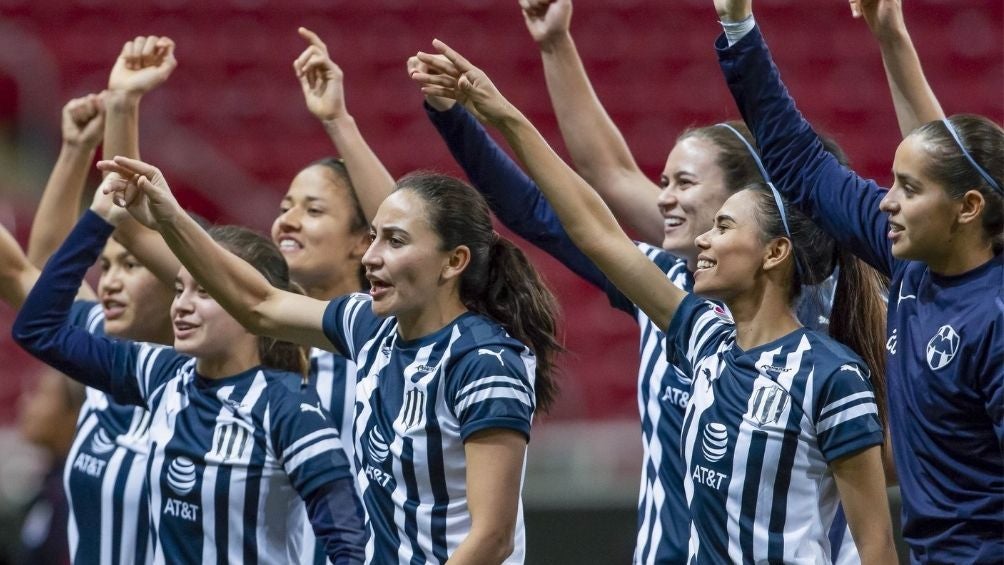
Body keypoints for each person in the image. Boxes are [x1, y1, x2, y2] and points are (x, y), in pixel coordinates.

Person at [410, 6, 886, 560]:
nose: (663, 200)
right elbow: (581, 220)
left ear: (767, 231)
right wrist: (485, 111)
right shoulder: (695, 322)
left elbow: (879, 526)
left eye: (685, 183)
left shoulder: (827, 346)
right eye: (662, 181)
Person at [97, 155, 562, 565]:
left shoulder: (484, 361)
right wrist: (170, 218)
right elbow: (258, 303)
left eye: (396, 242)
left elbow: (492, 538)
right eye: (375, 237)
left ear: (454, 261)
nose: (373, 257)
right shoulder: (373, 327)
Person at [711, 0, 1003, 561]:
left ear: (967, 208)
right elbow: (799, 161)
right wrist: (739, 25)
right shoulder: (913, 261)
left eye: (909, 190)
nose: (886, 201)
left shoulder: (994, 319)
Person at [12, 177, 367, 564]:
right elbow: (39, 330)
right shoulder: (160, 373)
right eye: (179, 289)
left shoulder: (290, 410)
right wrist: (98, 218)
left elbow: (350, 545)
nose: (181, 305)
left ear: (245, 304)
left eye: (204, 292)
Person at [15, 367, 84, 565]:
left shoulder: (75, 495)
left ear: (75, 413)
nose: (26, 403)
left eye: (40, 394)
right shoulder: (52, 484)